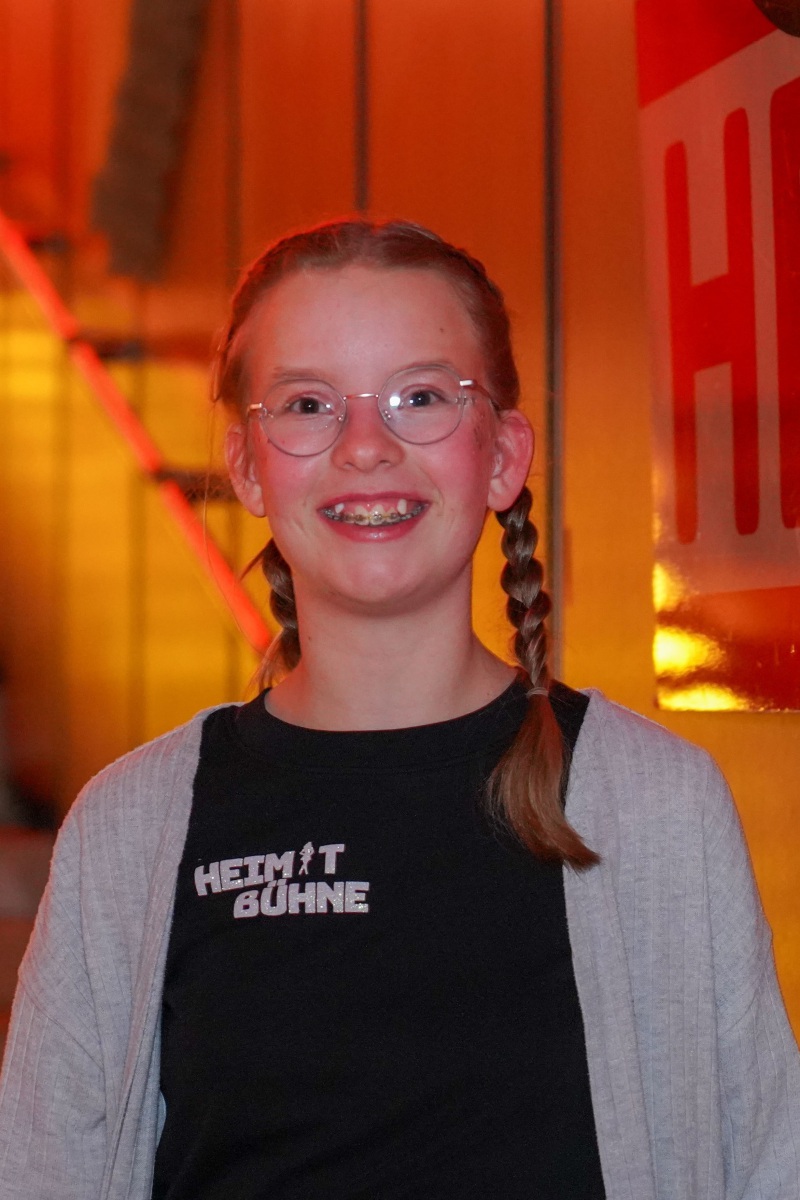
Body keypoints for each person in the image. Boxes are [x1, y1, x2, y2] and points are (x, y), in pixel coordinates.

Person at [0, 219, 798, 1199]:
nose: (366, 447)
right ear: (247, 467)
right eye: (308, 404)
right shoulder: (132, 829)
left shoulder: (651, 804)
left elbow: (767, 1161)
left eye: (420, 397)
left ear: (502, 455)